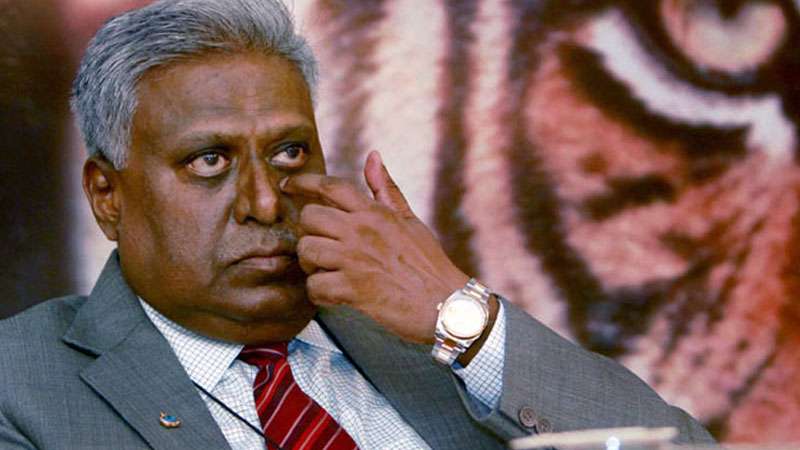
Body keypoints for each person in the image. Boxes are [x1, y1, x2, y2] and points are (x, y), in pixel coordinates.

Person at [0, 1, 715, 449]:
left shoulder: (424, 340)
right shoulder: (23, 385)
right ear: (107, 195)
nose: (266, 202)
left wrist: (463, 319)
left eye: (289, 152)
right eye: (210, 161)